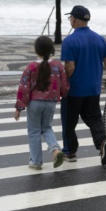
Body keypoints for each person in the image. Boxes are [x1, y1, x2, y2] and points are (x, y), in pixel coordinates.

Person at [60, 5, 106, 164]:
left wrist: (63, 83)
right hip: (93, 89)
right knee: (94, 118)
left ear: (75, 19)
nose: (70, 20)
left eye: (70, 17)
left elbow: (70, 67)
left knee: (69, 122)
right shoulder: (100, 39)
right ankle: (102, 142)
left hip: (74, 90)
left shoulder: (69, 41)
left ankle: (70, 152)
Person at [14, 36, 69, 170]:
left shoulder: (31, 66)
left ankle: (36, 161)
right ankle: (55, 149)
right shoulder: (58, 66)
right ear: (52, 50)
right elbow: (64, 85)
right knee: (46, 128)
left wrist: (19, 107)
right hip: (51, 103)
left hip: (35, 103)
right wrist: (63, 94)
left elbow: (24, 88)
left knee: (34, 131)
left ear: (36, 50)